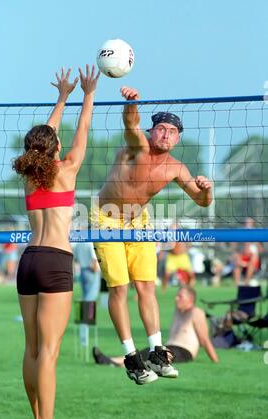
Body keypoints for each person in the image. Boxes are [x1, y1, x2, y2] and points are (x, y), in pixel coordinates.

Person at [90, 86, 213, 385]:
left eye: (172, 131)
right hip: (106, 218)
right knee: (120, 289)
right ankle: (131, 358)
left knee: (146, 286)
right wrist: (131, 104)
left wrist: (207, 190)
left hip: (139, 223)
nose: (166, 135)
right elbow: (131, 125)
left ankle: (158, 352)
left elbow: (202, 201)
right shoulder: (137, 147)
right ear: (152, 131)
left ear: (178, 137)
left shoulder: (175, 167)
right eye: (161, 129)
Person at [12, 65, 100, 419]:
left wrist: (60, 99)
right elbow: (80, 132)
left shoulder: (31, 176)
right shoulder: (67, 170)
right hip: (55, 261)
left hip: (28, 260)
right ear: (55, 150)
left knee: (32, 350)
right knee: (49, 353)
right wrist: (87, 95)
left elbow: (43, 141)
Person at [92, 286, 219, 367]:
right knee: (149, 353)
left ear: (190, 299)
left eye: (180, 296)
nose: (176, 298)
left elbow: (204, 340)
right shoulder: (178, 312)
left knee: (148, 354)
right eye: (177, 295)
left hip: (184, 352)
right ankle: (114, 361)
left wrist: (215, 361)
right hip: (170, 347)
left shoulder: (196, 313)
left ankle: (113, 362)